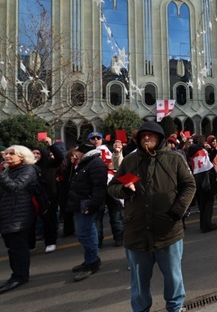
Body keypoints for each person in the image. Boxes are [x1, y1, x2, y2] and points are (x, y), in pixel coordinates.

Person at [107, 121, 196, 312]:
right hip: (137, 234)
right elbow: (112, 186)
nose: (146, 138)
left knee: (173, 278)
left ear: (160, 138)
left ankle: (176, 308)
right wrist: (124, 189)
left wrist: (177, 211)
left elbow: (189, 185)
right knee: (139, 283)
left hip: (168, 232)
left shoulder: (174, 158)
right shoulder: (130, 161)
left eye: (151, 135)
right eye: (143, 135)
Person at [0, 145, 37, 294]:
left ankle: (20, 276)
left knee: (18, 248)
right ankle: (17, 274)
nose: (7, 156)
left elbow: (16, 187)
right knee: (12, 247)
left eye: (11, 154)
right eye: (6, 153)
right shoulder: (8, 170)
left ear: (22, 156)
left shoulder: (28, 170)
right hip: (6, 214)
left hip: (19, 215)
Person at [68, 143, 107, 282]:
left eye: (76, 152)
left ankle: (92, 263)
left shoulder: (96, 164)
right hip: (81, 203)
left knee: (85, 234)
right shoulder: (85, 163)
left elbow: (99, 188)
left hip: (88, 204)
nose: (74, 155)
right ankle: (92, 259)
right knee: (88, 232)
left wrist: (93, 204)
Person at [32, 137, 64, 254]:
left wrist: (50, 145)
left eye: (37, 153)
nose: (35, 155)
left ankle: (50, 242)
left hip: (48, 196)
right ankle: (31, 244)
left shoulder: (49, 164)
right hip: (33, 197)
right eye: (33, 153)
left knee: (49, 220)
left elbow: (60, 157)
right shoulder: (29, 166)